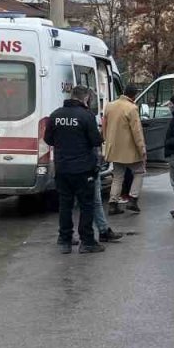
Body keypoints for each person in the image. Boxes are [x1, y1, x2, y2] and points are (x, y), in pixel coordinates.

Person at [45, 86, 105, 254]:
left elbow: (48, 139)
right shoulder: (87, 116)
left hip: (62, 168)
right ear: (85, 98)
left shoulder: (55, 115)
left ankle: (64, 240)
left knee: (65, 205)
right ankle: (87, 241)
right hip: (83, 169)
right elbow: (95, 141)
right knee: (86, 205)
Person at [103, 84, 147, 215]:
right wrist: (142, 149)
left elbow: (104, 125)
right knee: (139, 171)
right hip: (130, 150)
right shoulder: (132, 108)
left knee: (117, 176)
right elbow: (137, 131)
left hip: (114, 148)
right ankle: (133, 199)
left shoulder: (109, 106)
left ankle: (112, 203)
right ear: (134, 95)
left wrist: (106, 141)